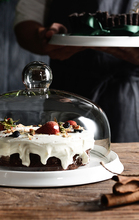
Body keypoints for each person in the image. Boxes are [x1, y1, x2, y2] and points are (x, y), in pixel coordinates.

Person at [14, 0, 139, 143]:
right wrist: (44, 36)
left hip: (131, 97)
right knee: (62, 156)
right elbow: (26, 21)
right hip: (67, 90)